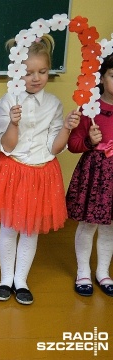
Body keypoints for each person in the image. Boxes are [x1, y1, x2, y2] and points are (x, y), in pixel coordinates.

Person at [0, 34, 80, 305]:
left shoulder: (53, 104)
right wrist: (14, 123)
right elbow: (7, 146)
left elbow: (53, 148)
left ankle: (21, 280)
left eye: (42, 71)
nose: (36, 78)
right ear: (16, 72)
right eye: (28, 73)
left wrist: (67, 127)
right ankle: (5, 279)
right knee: (10, 227)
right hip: (14, 170)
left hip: (42, 172)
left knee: (30, 230)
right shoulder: (8, 101)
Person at [66, 53, 113, 297]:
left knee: (110, 228)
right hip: (96, 174)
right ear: (102, 78)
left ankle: (103, 272)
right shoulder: (89, 108)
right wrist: (88, 141)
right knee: (89, 224)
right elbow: (73, 144)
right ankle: (83, 271)